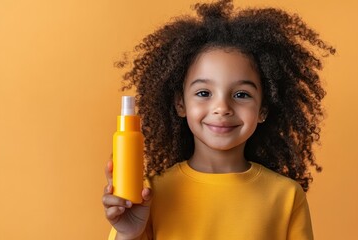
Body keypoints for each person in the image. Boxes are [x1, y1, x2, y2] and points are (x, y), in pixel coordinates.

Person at [102, 0, 335, 239]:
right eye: (204, 93)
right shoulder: (148, 196)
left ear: (263, 109)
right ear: (180, 104)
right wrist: (128, 234)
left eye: (241, 95)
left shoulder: (286, 196)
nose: (222, 108)